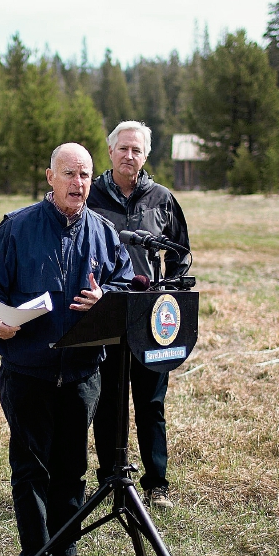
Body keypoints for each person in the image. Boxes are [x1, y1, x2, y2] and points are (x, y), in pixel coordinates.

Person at [0, 143, 133, 556]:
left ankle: (66, 549)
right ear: (49, 177)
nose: (78, 184)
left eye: (84, 175)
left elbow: (124, 282)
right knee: (32, 468)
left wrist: (108, 298)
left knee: (72, 466)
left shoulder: (102, 232)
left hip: (83, 373)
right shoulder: (17, 228)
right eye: (69, 174)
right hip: (29, 370)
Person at [87, 121, 190, 510]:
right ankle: (110, 479)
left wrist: (170, 293)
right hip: (105, 311)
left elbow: (180, 253)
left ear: (146, 156)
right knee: (107, 400)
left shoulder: (161, 198)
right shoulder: (89, 195)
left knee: (150, 402)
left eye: (137, 150)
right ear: (110, 151)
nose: (129, 156)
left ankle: (156, 483)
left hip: (150, 317)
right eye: (123, 148)